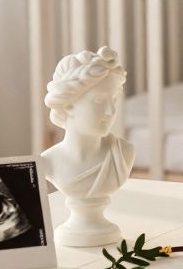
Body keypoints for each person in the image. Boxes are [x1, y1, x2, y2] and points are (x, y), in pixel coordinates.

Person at [41, 46, 134, 200]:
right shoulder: (48, 162)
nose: (110, 111)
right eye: (99, 100)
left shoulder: (123, 153)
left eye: (114, 100)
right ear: (69, 105)